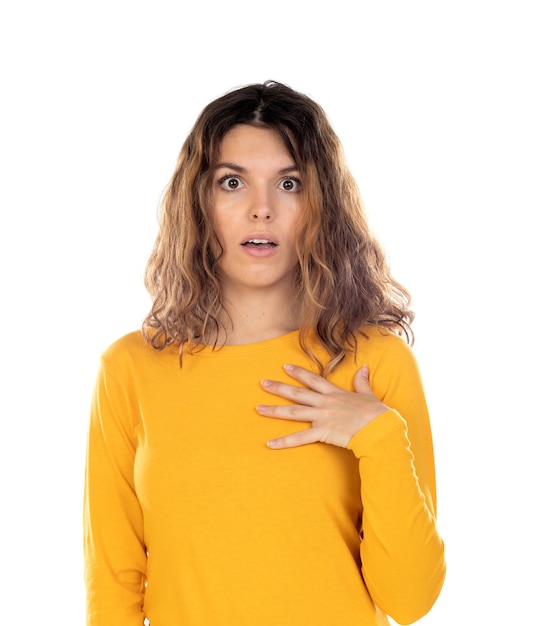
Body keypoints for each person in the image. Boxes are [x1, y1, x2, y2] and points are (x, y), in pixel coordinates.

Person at [83, 80, 446, 626]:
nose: (262, 209)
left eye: (290, 183)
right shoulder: (131, 368)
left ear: (321, 203)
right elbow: (113, 585)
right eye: (233, 182)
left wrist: (378, 435)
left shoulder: (375, 362)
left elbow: (410, 600)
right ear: (200, 201)